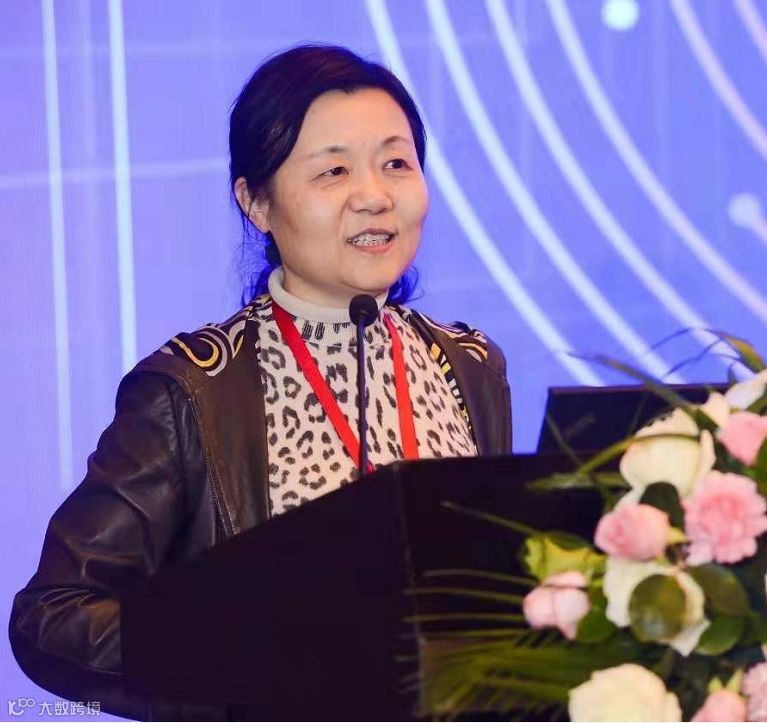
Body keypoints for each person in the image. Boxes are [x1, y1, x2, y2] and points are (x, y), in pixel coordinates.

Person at [9, 44, 512, 720]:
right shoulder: (191, 389)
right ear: (256, 202)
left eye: (396, 163)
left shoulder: (469, 364)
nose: (374, 196)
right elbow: (52, 618)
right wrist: (239, 643)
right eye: (333, 170)